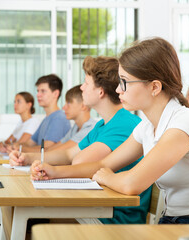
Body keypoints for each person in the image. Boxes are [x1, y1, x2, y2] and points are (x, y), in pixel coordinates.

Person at [33, 37, 189, 224]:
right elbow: (102, 165)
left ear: (154, 87)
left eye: (125, 82)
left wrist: (108, 177)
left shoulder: (184, 123)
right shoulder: (147, 127)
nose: (119, 89)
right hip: (174, 221)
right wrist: (54, 172)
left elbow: (131, 184)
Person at [12, 56, 151, 224]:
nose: (81, 88)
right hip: (98, 204)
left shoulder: (124, 123)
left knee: (33, 215)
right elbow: (68, 154)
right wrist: (28, 158)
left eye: (86, 83)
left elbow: (79, 160)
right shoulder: (102, 124)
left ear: (100, 91)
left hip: (115, 215)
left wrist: (53, 171)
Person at [6, 74, 71, 152]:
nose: (38, 95)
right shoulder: (46, 119)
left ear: (55, 94)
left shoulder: (59, 118)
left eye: (43, 91)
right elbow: (30, 143)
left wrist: (20, 149)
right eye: (38, 91)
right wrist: (15, 146)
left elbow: (46, 149)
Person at [47, 85, 96, 151]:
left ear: (83, 106)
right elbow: (53, 148)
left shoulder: (90, 128)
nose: (63, 108)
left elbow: (59, 151)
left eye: (69, 103)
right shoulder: (76, 127)